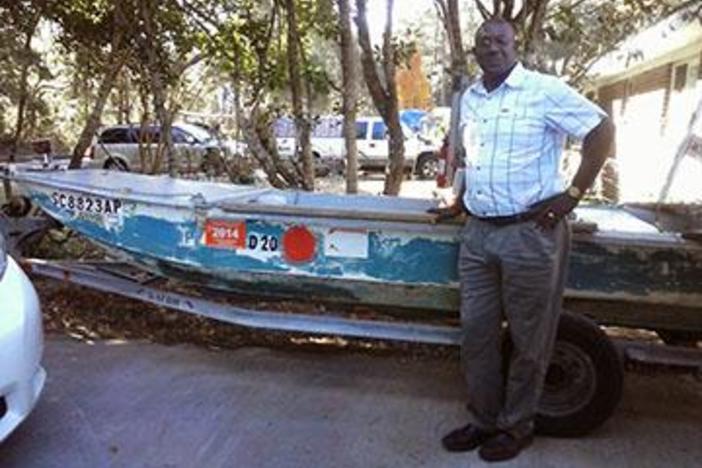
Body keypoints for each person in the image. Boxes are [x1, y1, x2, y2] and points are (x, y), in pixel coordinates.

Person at [430, 17, 615, 462]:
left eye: (500, 40)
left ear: (516, 46)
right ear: (474, 51)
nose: (491, 47)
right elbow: (474, 157)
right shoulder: (469, 99)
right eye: (484, 41)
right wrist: (461, 200)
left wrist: (570, 196)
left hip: (530, 235)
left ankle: (517, 426)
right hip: (478, 235)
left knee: (530, 339)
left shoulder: (543, 91)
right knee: (476, 332)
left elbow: (601, 130)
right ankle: (483, 420)